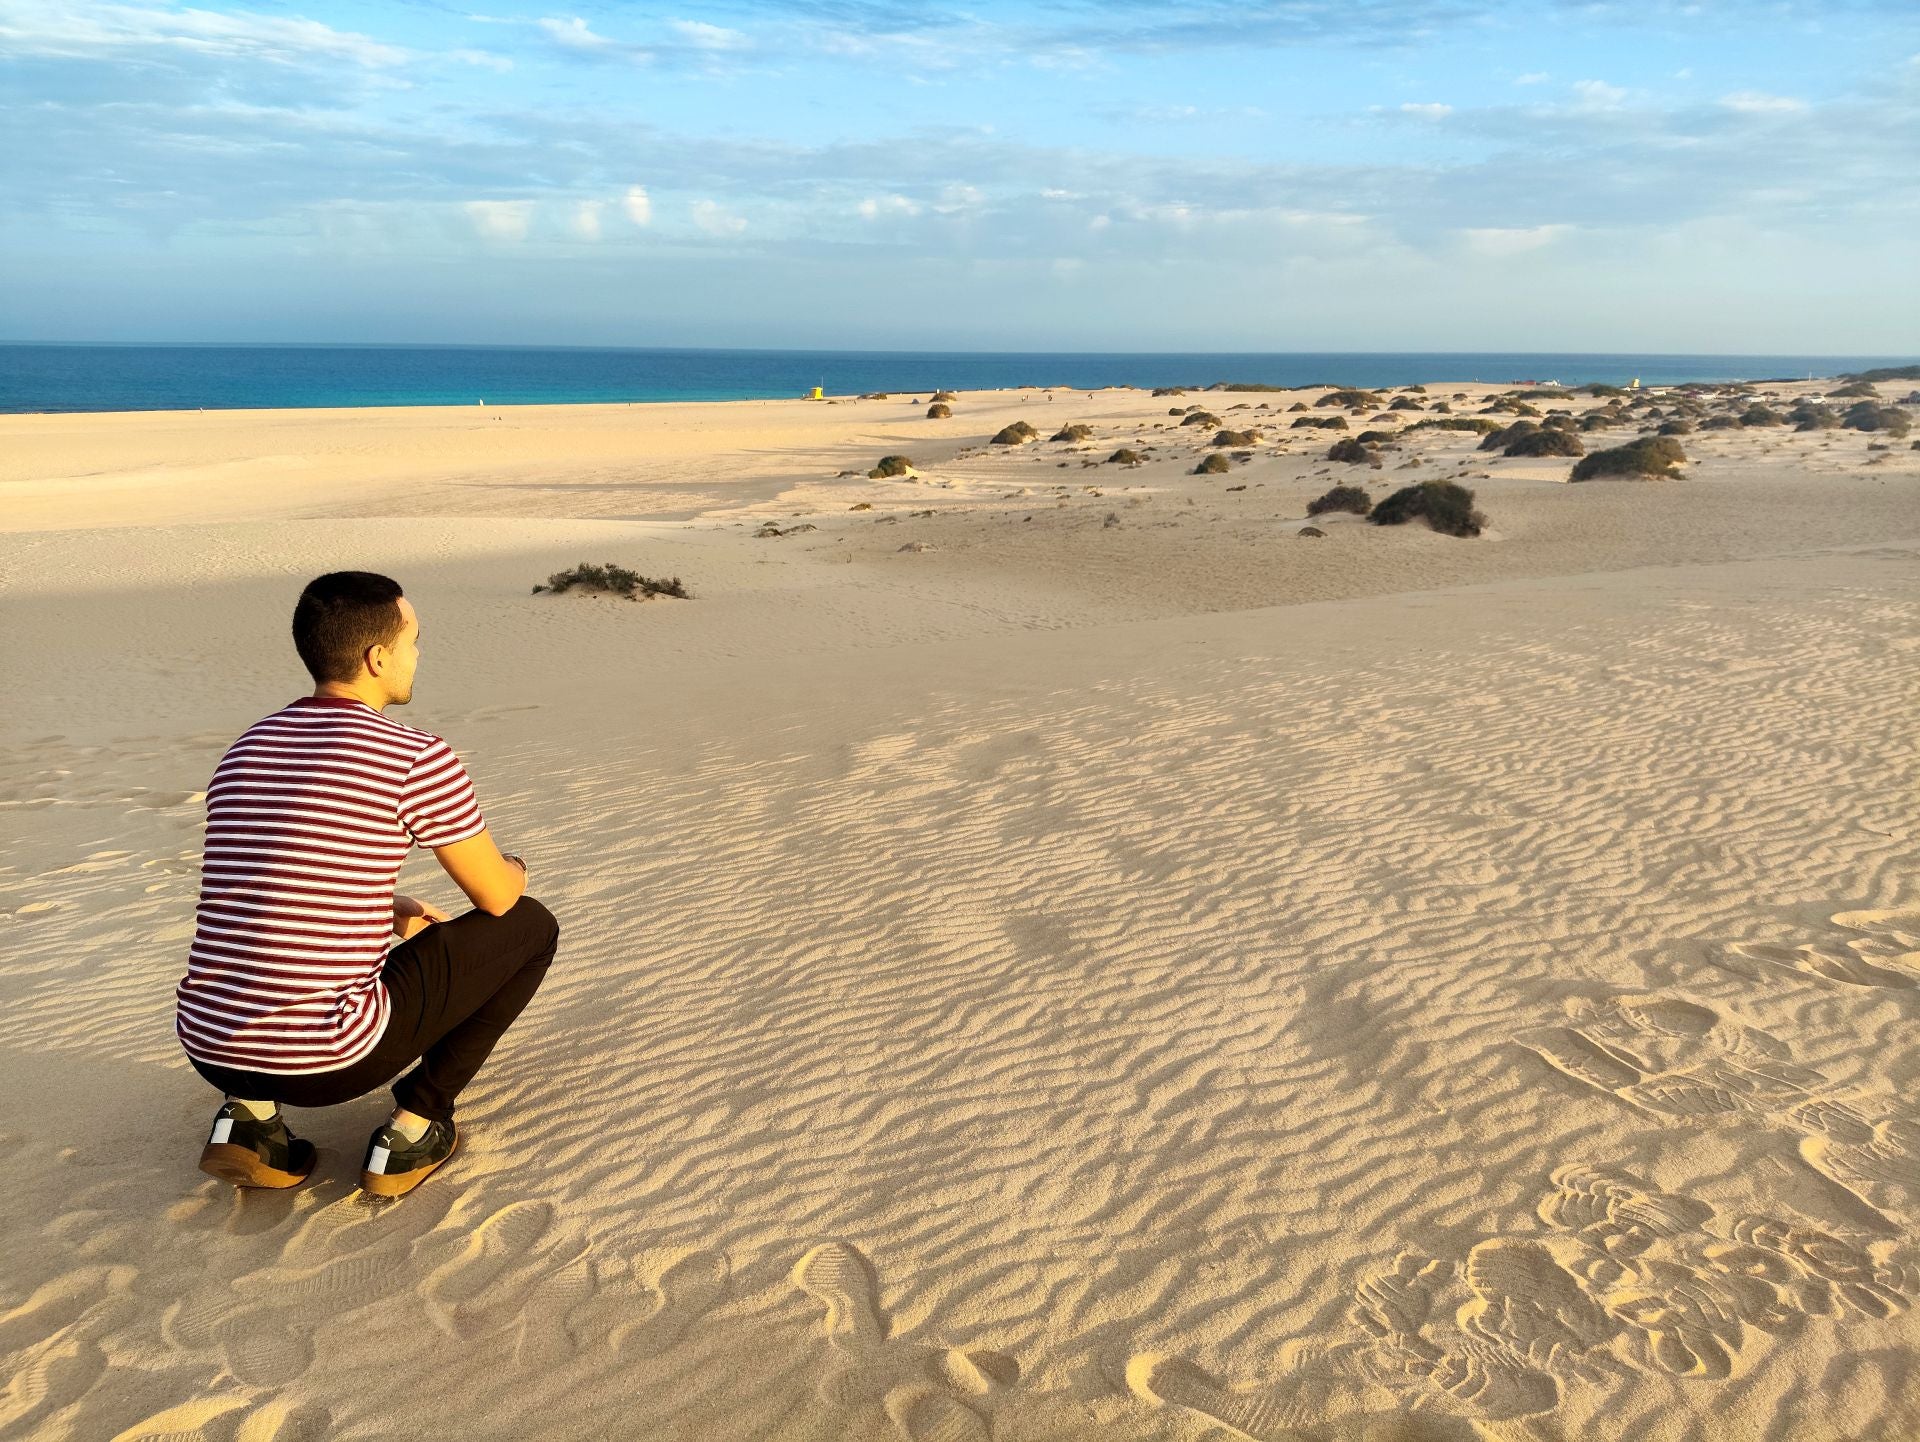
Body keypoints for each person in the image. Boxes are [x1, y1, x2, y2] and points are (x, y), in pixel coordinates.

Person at [175, 572, 558, 1198]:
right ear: (378, 657)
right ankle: (414, 1129)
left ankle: (248, 1119)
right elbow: (495, 896)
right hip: (329, 1061)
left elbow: (269, 882)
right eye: (414, 641)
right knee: (530, 925)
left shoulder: (246, 748)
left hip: (206, 1041)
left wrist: (383, 905)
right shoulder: (413, 755)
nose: (417, 655)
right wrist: (515, 864)